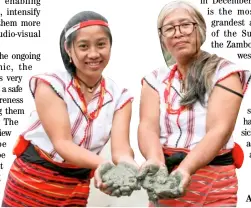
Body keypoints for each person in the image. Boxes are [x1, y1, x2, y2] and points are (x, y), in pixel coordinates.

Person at [2, 11, 138, 207]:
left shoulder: (120, 97)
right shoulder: (51, 84)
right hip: (32, 180)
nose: (93, 54)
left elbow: (121, 149)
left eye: (101, 44)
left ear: (110, 46)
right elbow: (63, 144)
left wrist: (128, 166)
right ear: (68, 48)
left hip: (76, 186)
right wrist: (103, 165)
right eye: (83, 46)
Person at [137, 0, 250, 207]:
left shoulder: (225, 74)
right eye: (169, 28)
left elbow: (219, 130)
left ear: (201, 29)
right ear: (162, 39)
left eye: (186, 25)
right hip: (166, 183)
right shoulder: (153, 80)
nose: (178, 32)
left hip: (214, 185)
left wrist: (186, 169)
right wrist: (155, 160)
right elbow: (147, 126)